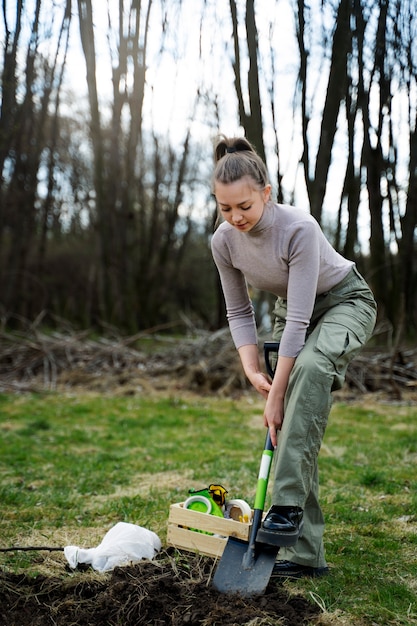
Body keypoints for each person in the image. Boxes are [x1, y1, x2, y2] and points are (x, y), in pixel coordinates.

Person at [210, 135, 377, 578]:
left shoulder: (298, 228)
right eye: (225, 208)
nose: (235, 217)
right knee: (296, 420)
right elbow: (238, 310)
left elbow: (302, 321)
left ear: (266, 193)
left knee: (310, 371)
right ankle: (305, 556)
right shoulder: (223, 242)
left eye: (244, 206)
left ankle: (283, 508)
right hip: (292, 312)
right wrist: (251, 370)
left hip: (343, 301)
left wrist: (276, 392)